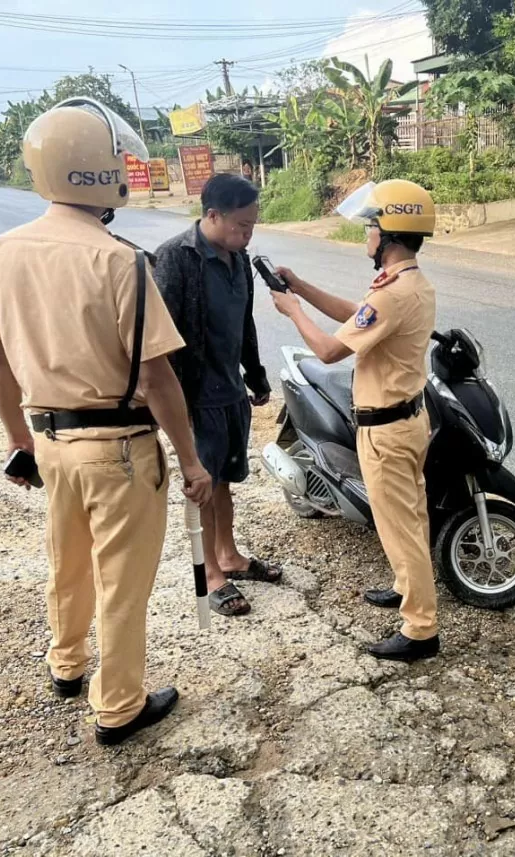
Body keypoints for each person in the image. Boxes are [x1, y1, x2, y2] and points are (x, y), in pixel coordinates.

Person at [0, 97, 213, 746]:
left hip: (49, 441)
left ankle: (67, 664)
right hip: (121, 448)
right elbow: (158, 378)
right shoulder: (120, 260)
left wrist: (19, 441)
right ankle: (118, 706)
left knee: (68, 563)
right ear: (103, 171)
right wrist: (190, 461)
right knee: (122, 583)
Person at [270, 179, 440, 662]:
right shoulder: (408, 285)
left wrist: (293, 310)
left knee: (399, 527)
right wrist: (302, 285)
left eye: (370, 227)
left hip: (386, 430)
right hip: (407, 421)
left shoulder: (392, 294)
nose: (365, 235)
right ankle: (408, 587)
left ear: (388, 234)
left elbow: (327, 350)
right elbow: (357, 317)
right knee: (409, 518)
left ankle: (421, 630)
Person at [154, 173, 279, 618]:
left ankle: (227, 555)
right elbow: (160, 338)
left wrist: (257, 374)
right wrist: (173, 406)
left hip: (230, 393)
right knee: (202, 486)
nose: (248, 234)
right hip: (196, 396)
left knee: (225, 480)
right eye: (242, 225)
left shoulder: (237, 258)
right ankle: (206, 575)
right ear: (212, 215)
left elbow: (244, 323)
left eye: (253, 225)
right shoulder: (175, 257)